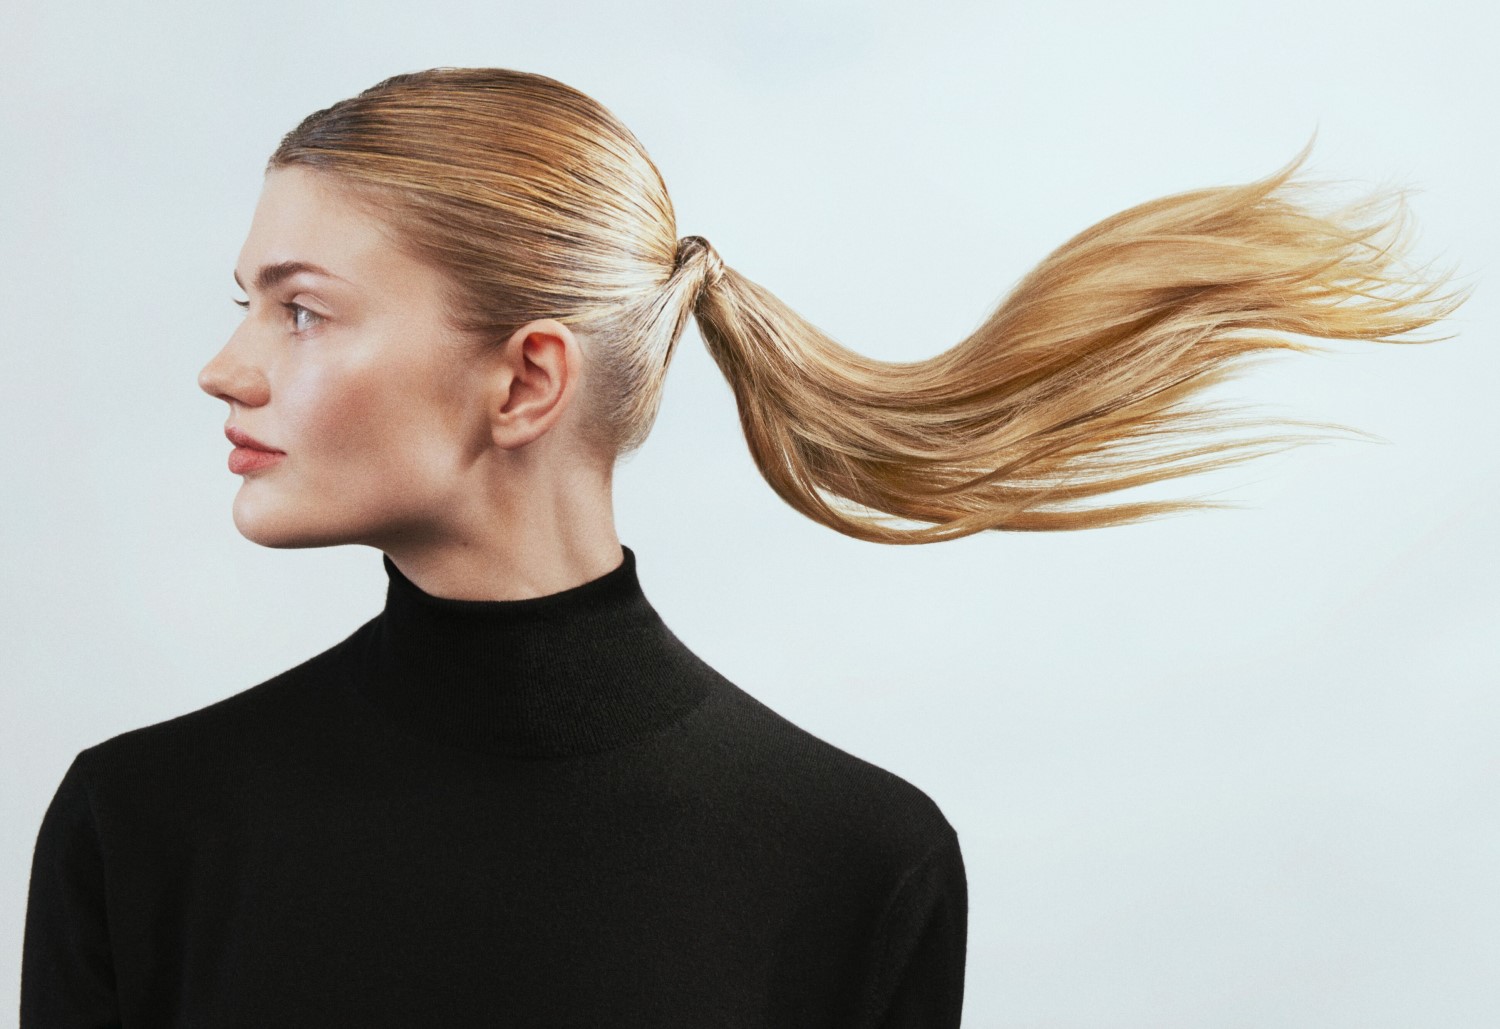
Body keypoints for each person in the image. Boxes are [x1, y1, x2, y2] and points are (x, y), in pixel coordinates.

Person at [20, 68, 1468, 1027]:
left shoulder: (858, 864)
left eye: (300, 307)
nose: (226, 365)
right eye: (245, 301)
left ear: (526, 379)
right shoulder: (143, 832)